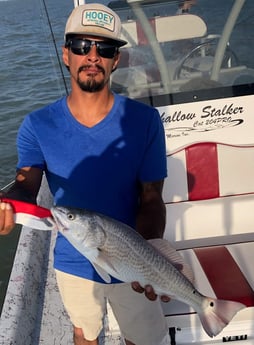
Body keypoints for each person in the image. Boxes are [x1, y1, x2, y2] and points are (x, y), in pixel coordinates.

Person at [0, 3, 171, 345]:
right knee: (85, 333)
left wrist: (146, 256)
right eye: (81, 46)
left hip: (133, 252)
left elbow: (152, 198)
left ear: (115, 60)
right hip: (73, 259)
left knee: (144, 338)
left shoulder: (145, 121)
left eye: (104, 48)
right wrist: (8, 204)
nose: (92, 56)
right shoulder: (37, 125)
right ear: (66, 55)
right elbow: (26, 184)